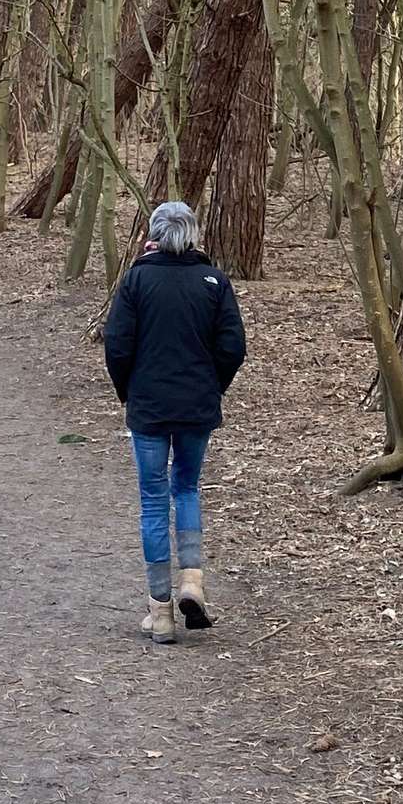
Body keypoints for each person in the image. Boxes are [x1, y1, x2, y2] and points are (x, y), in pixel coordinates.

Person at [102, 200, 247, 644]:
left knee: (152, 500)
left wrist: (129, 392)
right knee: (186, 487)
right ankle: (192, 582)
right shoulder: (213, 281)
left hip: (148, 406)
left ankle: (160, 612)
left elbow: (117, 345)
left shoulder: (136, 280)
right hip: (196, 405)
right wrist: (211, 387)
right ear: (192, 234)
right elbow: (233, 347)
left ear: (154, 233)